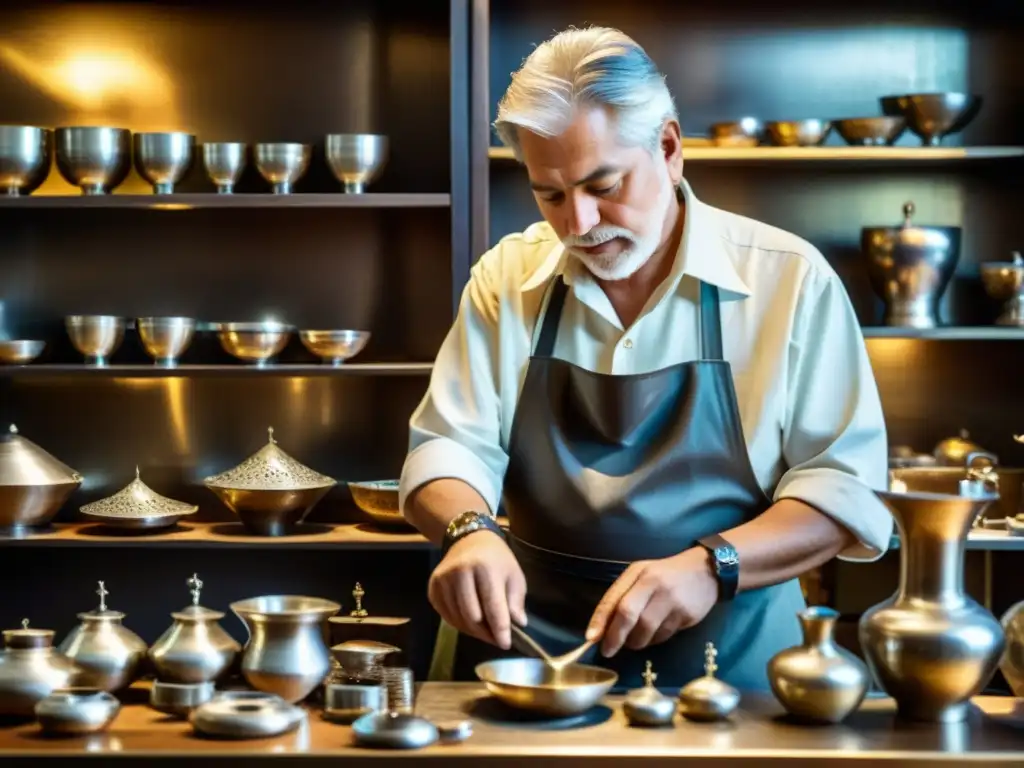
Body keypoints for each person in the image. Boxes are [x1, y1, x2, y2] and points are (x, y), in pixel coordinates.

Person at [398, 25, 892, 690]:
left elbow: (845, 490)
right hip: (526, 662)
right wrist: (468, 530)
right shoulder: (505, 279)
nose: (578, 223)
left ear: (669, 147)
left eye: (603, 184)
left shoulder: (790, 281)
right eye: (550, 194)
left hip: (730, 671)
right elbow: (448, 446)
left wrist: (711, 564)